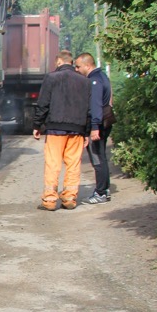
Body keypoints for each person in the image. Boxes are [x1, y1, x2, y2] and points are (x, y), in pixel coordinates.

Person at [32, 49, 100, 211]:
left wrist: (37, 125)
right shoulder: (85, 81)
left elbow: (43, 104)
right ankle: (69, 198)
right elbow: (88, 109)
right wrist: (86, 132)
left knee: (53, 164)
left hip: (55, 128)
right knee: (73, 164)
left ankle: (49, 200)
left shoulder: (51, 78)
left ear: (59, 62)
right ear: (71, 62)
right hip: (77, 129)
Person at [75, 52, 113, 204]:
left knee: (97, 158)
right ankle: (105, 189)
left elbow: (95, 105)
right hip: (104, 122)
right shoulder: (103, 76)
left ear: (87, 65)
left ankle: (101, 192)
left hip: (98, 124)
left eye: (78, 67)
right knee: (101, 157)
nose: (76, 70)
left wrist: (94, 127)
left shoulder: (94, 81)